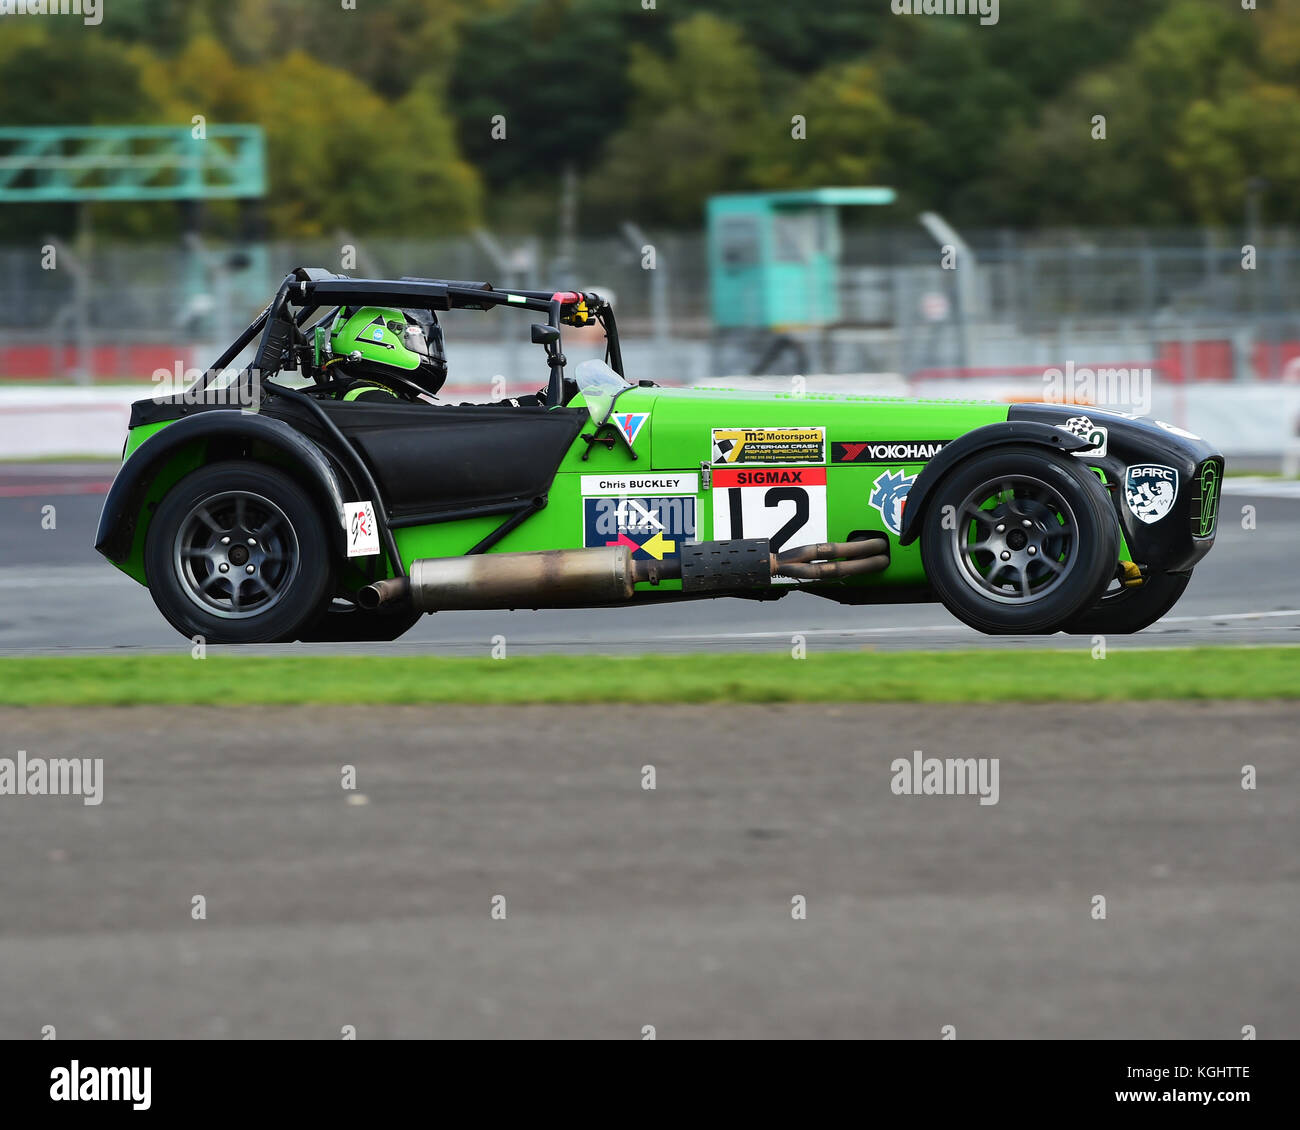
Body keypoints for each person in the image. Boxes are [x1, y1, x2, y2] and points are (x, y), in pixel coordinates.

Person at [314, 305, 548, 406]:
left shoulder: (373, 394)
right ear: (377, 337)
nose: (427, 346)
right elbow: (452, 424)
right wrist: (523, 404)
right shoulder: (367, 397)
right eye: (415, 336)